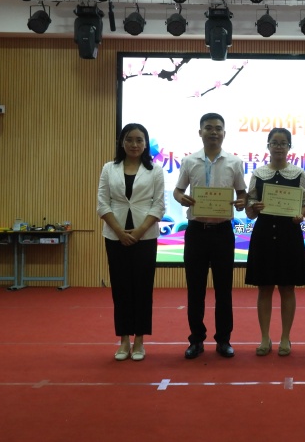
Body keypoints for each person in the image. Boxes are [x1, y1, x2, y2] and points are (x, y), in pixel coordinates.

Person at [173, 113, 247, 359]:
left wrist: (241, 202)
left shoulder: (234, 162)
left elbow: (242, 194)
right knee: (195, 290)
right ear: (200, 132)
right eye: (208, 128)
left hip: (223, 233)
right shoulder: (189, 161)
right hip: (196, 232)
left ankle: (223, 340)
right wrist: (181, 198)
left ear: (224, 133)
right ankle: (196, 340)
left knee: (224, 290)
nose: (213, 132)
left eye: (218, 128)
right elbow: (177, 191)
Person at [97, 123, 165, 362]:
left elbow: (159, 205)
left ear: (145, 144)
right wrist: (120, 232)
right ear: (121, 142)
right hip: (115, 237)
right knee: (121, 288)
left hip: (145, 236)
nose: (134, 144)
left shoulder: (155, 170)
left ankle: (139, 341)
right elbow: (102, 203)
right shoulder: (109, 168)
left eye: (139, 140)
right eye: (129, 139)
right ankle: (124, 340)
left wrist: (138, 232)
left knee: (142, 289)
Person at [245, 128, 305, 356]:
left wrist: (302, 214)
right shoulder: (258, 174)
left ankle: (285, 337)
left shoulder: (298, 174)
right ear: (268, 146)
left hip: (289, 235)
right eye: (274, 143)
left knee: (287, 287)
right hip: (264, 235)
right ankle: (265, 337)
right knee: (264, 288)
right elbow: (250, 209)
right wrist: (254, 206)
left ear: (289, 147)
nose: (278, 147)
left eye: (283, 143)